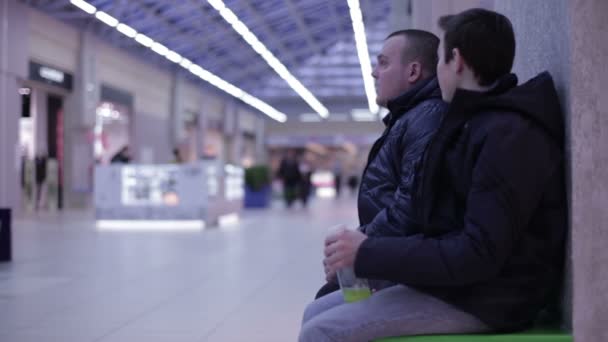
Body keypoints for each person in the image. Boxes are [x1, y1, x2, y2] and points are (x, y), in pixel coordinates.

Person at [299, 8, 567, 342]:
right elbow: (439, 223)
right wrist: (367, 254)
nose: (436, 72)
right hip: (463, 286)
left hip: (491, 299)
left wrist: (369, 253)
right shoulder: (476, 124)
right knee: (317, 312)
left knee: (321, 331)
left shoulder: (508, 136)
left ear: (456, 61)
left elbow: (478, 252)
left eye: (439, 60)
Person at [313, 29, 446, 299]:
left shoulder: (425, 119)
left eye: (383, 63)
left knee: (323, 321)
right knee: (326, 299)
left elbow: (410, 209)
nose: (375, 72)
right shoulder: (409, 117)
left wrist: (360, 248)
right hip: (391, 260)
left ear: (413, 72)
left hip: (404, 270)